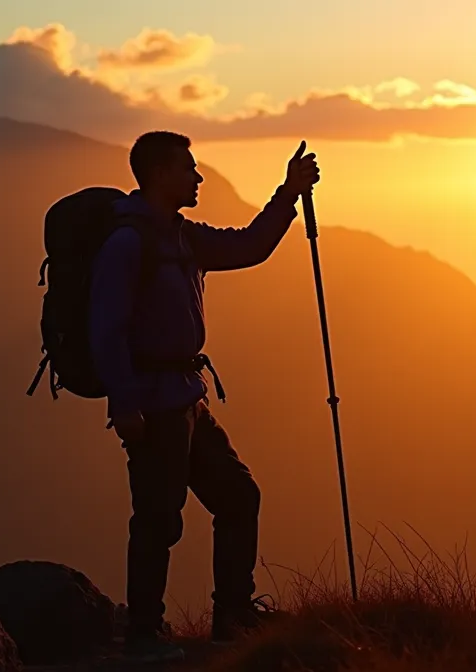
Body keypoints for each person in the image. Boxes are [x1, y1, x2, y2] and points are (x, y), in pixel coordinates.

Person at [88, 131, 319, 662]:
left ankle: (232, 618)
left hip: (187, 399)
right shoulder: (128, 244)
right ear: (160, 174)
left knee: (238, 496)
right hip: (153, 404)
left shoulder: (182, 237)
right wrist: (124, 403)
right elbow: (106, 329)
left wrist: (288, 192)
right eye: (188, 168)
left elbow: (249, 247)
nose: (198, 177)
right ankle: (144, 635)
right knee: (158, 518)